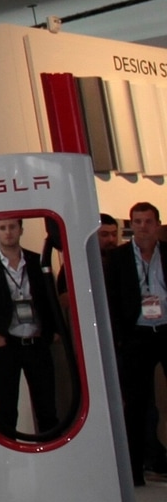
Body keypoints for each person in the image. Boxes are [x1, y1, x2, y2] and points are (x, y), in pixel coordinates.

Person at [0, 217, 61, 439]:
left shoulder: (38, 261)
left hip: (37, 343)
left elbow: (50, 300)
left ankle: (51, 455)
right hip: (6, 346)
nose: (8, 232)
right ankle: (7, 459)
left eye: (12, 227)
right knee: (7, 408)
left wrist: (55, 330)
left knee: (47, 407)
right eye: (3, 228)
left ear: (21, 229)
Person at [103, 202, 167, 486]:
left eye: (148, 221)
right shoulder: (117, 258)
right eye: (137, 221)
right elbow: (111, 301)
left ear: (157, 224)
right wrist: (119, 338)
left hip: (166, 330)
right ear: (131, 225)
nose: (142, 226)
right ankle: (134, 471)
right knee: (136, 405)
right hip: (136, 336)